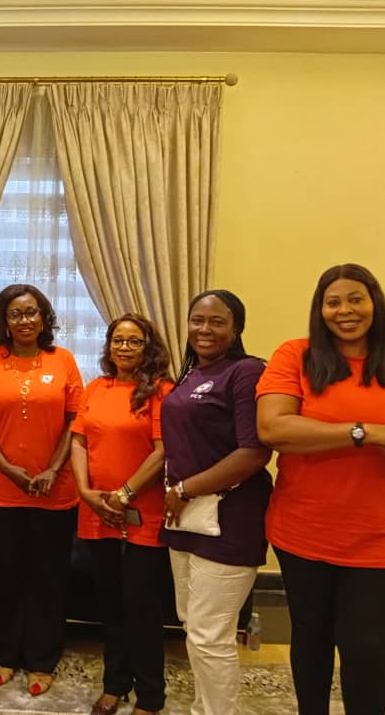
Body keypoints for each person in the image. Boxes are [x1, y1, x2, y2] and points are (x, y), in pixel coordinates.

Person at [256, 264, 385, 715]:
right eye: (333, 302)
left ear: (375, 303)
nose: (345, 310)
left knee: (366, 650)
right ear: (320, 309)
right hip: (303, 530)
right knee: (311, 640)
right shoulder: (295, 356)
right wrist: (364, 432)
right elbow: (272, 428)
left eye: (356, 299)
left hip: (384, 534)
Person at [160, 290, 272, 715]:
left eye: (216, 321)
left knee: (210, 634)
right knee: (193, 625)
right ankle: (204, 707)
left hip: (229, 517)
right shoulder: (191, 373)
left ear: (236, 328)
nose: (204, 329)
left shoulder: (246, 372)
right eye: (197, 320)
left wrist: (184, 489)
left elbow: (254, 452)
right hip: (185, 515)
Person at [0, 284, 83, 696]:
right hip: (0, 490)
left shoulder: (63, 360)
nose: (25, 320)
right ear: (4, 320)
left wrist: (52, 469)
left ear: (44, 317)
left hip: (55, 490)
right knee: (5, 574)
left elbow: (75, 420)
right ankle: (6, 653)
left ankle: (42, 658)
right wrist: (7, 468)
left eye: (32, 312)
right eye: (15, 314)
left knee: (48, 577)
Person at [71, 313, 172, 715]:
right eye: (118, 340)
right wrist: (85, 492)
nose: (124, 347)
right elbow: (78, 442)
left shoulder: (161, 391)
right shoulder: (96, 388)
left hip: (142, 515)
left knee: (142, 607)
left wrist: (125, 495)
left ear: (148, 348)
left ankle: (150, 695)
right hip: (97, 511)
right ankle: (115, 683)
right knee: (110, 604)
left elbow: (163, 452)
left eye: (134, 341)